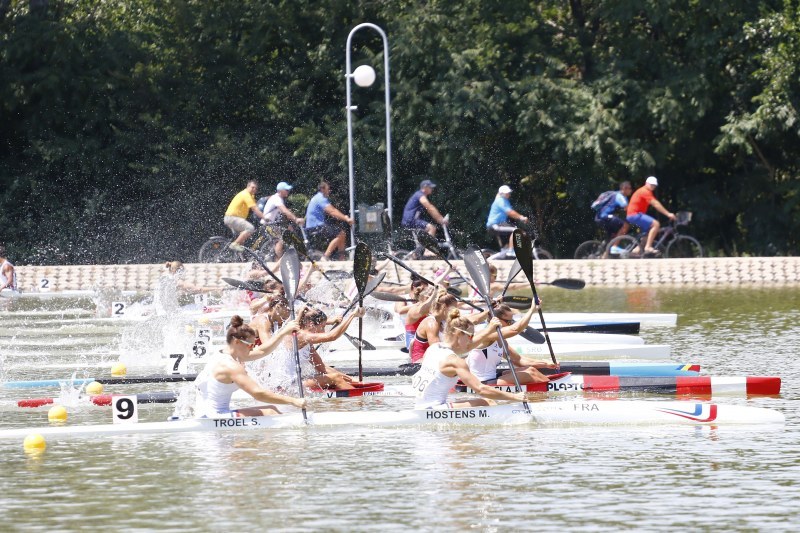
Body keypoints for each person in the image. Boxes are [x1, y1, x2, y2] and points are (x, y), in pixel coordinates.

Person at [411, 309, 526, 409]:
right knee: (487, 402)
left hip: (421, 406)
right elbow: (481, 389)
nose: (471, 340)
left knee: (480, 402)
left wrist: (490, 328)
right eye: (470, 336)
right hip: (433, 409)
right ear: (458, 334)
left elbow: (469, 346)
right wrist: (515, 396)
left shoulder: (434, 348)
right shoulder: (455, 361)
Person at [194, 315, 306, 418]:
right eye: (251, 345)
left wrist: (283, 333)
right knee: (271, 412)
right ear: (237, 342)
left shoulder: (223, 353)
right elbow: (258, 394)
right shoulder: (231, 366)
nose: (253, 348)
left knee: (271, 408)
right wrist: (293, 401)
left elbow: (262, 350)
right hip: (213, 417)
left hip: (203, 414)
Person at [467, 304, 557, 385]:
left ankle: (550, 386)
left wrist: (546, 364)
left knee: (531, 370)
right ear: (497, 320)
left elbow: (518, 360)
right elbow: (515, 330)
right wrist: (532, 309)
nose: (511, 324)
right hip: (480, 383)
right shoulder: (486, 334)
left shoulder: (501, 340)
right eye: (509, 322)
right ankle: (552, 391)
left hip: (492, 377)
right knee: (530, 374)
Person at [410, 291, 488, 363]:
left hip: (437, 359)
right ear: (444, 307)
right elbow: (437, 350)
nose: (456, 310)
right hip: (420, 362)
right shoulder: (431, 323)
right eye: (454, 307)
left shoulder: (444, 320)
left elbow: (471, 319)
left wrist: (489, 311)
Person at [626, 176, 676, 256]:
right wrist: (668, 214)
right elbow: (656, 204)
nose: (653, 186)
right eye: (651, 184)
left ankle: (636, 251)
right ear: (646, 183)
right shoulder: (644, 191)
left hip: (634, 215)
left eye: (654, 185)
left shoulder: (647, 191)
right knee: (656, 224)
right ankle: (648, 247)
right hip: (634, 214)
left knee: (647, 233)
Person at [304, 181, 354, 261]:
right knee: (341, 234)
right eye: (328, 189)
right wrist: (346, 218)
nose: (329, 191)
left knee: (342, 234)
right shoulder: (320, 198)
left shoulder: (316, 197)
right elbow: (332, 211)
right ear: (322, 189)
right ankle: (325, 257)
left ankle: (342, 259)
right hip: (316, 226)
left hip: (312, 227)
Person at [401, 179, 448, 259]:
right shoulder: (419, 195)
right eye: (430, 187)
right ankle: (427, 251)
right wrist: (440, 219)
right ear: (425, 187)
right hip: (410, 220)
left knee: (425, 236)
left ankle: (416, 253)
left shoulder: (420, 195)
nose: (432, 189)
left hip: (410, 220)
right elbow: (429, 207)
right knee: (432, 228)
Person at [260, 182, 305, 259]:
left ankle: (284, 254)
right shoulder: (276, 198)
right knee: (281, 239)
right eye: (286, 190)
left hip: (273, 224)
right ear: (280, 191)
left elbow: (285, 214)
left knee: (289, 230)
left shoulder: (279, 199)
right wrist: (296, 219)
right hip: (268, 224)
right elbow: (284, 211)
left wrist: (290, 224)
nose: (288, 191)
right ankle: (280, 261)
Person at [486, 185, 529, 260]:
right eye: (506, 193)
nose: (508, 194)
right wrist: (521, 217)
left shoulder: (503, 200)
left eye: (509, 193)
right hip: (495, 226)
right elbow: (510, 212)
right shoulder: (501, 200)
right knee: (516, 231)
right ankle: (511, 251)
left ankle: (506, 251)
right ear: (501, 194)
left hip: (499, 225)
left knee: (506, 247)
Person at [224, 181, 268, 252]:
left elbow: (256, 205)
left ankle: (240, 256)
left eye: (255, 188)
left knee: (243, 237)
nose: (254, 189)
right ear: (247, 187)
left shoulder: (250, 196)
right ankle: (234, 244)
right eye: (252, 187)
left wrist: (269, 197)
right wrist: (264, 218)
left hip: (233, 218)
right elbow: (254, 209)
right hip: (232, 218)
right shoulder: (245, 194)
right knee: (250, 228)